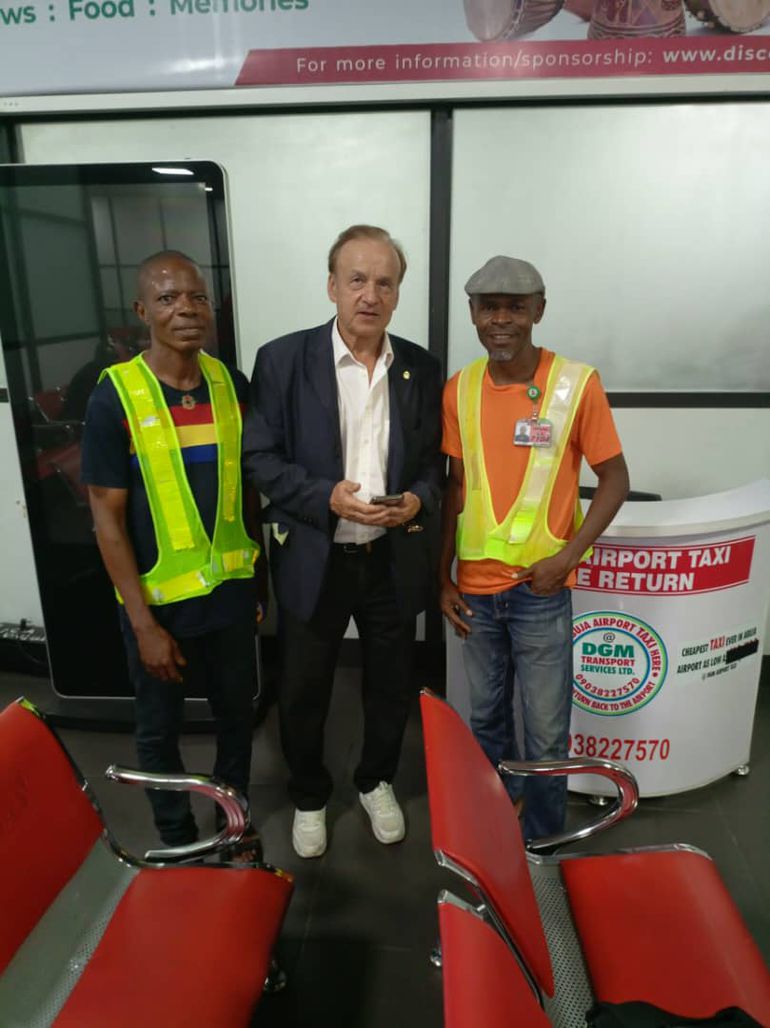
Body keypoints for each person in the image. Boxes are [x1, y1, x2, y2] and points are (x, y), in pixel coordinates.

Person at [244, 225, 443, 858]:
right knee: (304, 687)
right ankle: (309, 795)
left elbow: (432, 464)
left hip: (391, 556)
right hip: (315, 554)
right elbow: (260, 458)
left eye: (385, 282)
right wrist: (324, 496)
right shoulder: (283, 359)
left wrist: (418, 499)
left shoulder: (420, 367)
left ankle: (375, 780)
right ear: (332, 286)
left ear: (398, 293)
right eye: (357, 280)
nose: (370, 295)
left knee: (391, 683)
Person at [82, 250, 266, 857]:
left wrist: (258, 586)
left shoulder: (230, 384)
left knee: (237, 720)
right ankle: (178, 842)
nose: (186, 309)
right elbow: (106, 521)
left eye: (196, 297)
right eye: (167, 298)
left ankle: (232, 827)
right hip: (158, 609)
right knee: (159, 733)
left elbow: (246, 493)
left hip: (231, 598)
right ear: (142, 311)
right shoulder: (117, 396)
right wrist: (143, 625)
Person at [439, 255, 629, 841]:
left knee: (546, 733)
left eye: (515, 308)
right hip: (474, 591)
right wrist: (442, 577)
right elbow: (455, 488)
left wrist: (568, 559)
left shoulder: (576, 384)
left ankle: (543, 842)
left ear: (538, 311)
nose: (501, 319)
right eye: (489, 307)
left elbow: (615, 479)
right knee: (486, 721)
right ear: (472, 312)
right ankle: (495, 829)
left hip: (540, 592)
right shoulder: (459, 389)